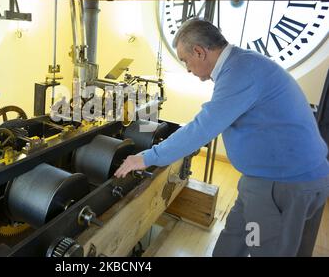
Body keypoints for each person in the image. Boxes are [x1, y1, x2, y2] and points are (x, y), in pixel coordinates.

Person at [114, 18, 329, 257]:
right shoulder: (242, 63)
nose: (187, 68)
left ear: (199, 51)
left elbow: (202, 128)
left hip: (284, 183)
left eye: (186, 60)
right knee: (234, 238)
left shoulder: (241, 71)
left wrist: (145, 158)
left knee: (267, 249)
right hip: (263, 179)